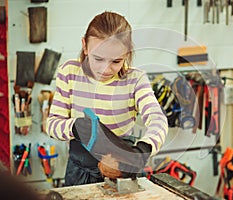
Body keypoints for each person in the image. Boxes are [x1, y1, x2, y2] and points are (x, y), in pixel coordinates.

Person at [46, 11, 168, 186]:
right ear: (85, 46)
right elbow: (52, 125)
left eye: (116, 61)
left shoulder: (135, 80)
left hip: (123, 168)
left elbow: (158, 119)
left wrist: (143, 150)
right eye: (98, 59)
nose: (105, 69)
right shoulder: (69, 72)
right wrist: (75, 127)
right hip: (80, 171)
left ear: (127, 53)